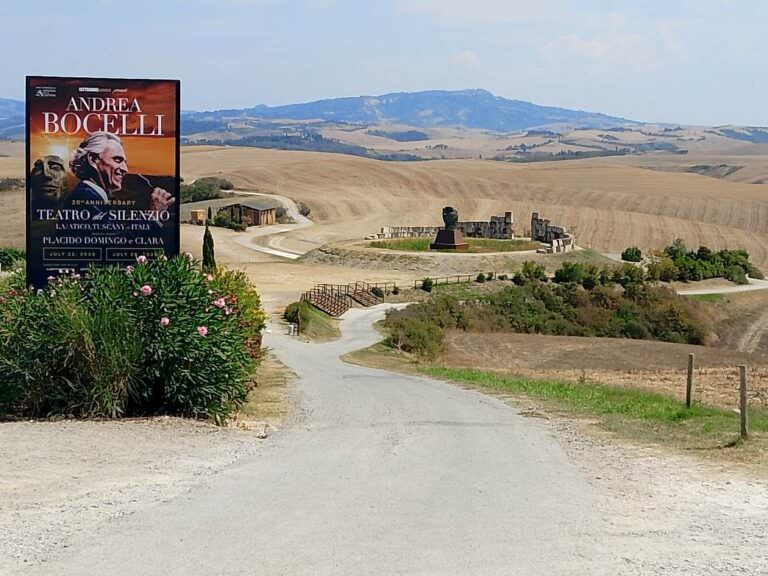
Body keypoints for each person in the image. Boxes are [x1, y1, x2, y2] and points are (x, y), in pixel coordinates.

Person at [64, 131, 175, 217]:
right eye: (117, 160)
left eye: (125, 163)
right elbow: (115, 242)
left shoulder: (90, 195)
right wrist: (154, 215)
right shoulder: (87, 197)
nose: (125, 169)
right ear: (93, 159)